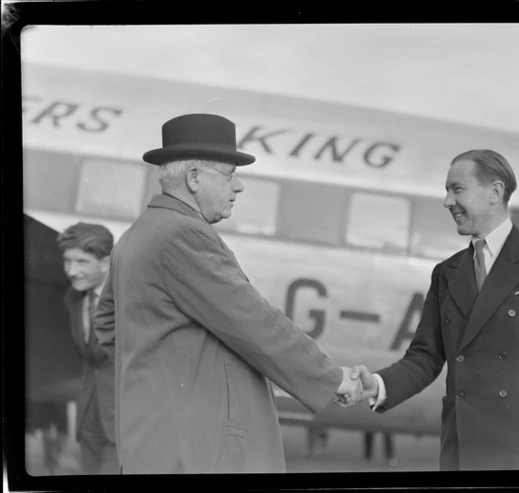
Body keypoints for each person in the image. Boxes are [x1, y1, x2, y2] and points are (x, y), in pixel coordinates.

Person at [94, 113, 360, 474]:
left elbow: (107, 327)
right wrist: (333, 377)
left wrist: (159, 379)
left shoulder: (135, 236)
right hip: (199, 451)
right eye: (230, 175)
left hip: (152, 445)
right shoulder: (183, 234)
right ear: (193, 177)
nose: (239, 187)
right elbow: (253, 322)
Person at [344, 149, 519, 471]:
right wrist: (379, 385)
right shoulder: (446, 272)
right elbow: (425, 358)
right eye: (447, 190)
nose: (447, 201)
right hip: (463, 453)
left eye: (457, 189)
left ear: (494, 192)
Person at [56, 222, 119, 474]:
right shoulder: (72, 297)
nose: (72, 271)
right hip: (89, 413)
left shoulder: (129, 298)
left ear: (105, 263)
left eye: (82, 262)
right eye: (67, 261)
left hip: (123, 415)